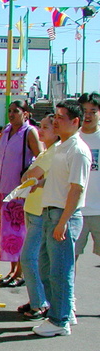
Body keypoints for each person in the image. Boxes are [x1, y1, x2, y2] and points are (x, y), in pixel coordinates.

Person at [30, 99, 91, 336]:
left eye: (61, 117)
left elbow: (76, 189)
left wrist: (64, 222)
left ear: (75, 122)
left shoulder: (77, 150)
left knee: (59, 270)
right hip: (50, 212)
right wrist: (38, 183)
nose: (56, 121)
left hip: (63, 215)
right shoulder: (62, 147)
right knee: (46, 266)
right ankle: (62, 312)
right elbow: (59, 179)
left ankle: (60, 320)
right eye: (55, 116)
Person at [17, 114, 60, 320]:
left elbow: (29, 176)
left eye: (45, 127)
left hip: (41, 211)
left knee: (30, 258)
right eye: (40, 126)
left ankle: (40, 303)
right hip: (34, 209)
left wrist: (31, 177)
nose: (40, 131)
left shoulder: (53, 153)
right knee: (36, 260)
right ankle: (38, 299)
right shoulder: (47, 152)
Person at [0, 101, 42, 287]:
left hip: (19, 191)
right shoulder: (7, 131)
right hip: (3, 189)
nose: (12, 114)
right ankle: (13, 270)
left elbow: (41, 158)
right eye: (9, 111)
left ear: (26, 114)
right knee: (9, 234)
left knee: (19, 232)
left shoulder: (29, 132)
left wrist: (32, 180)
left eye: (16, 111)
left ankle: (21, 273)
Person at [75, 92, 100, 260]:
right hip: (76, 211)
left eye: (93, 111)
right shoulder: (72, 138)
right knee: (69, 261)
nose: (88, 115)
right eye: (84, 110)